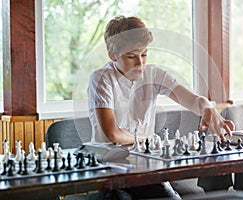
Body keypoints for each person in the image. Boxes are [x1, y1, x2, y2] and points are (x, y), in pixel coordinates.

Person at [87, 15, 234, 199]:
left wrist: (207, 108)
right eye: (131, 56)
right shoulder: (101, 78)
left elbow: (193, 101)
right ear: (112, 55)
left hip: (145, 172)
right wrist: (148, 138)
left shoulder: (154, 74)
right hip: (108, 173)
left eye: (144, 54)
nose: (140, 64)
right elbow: (113, 134)